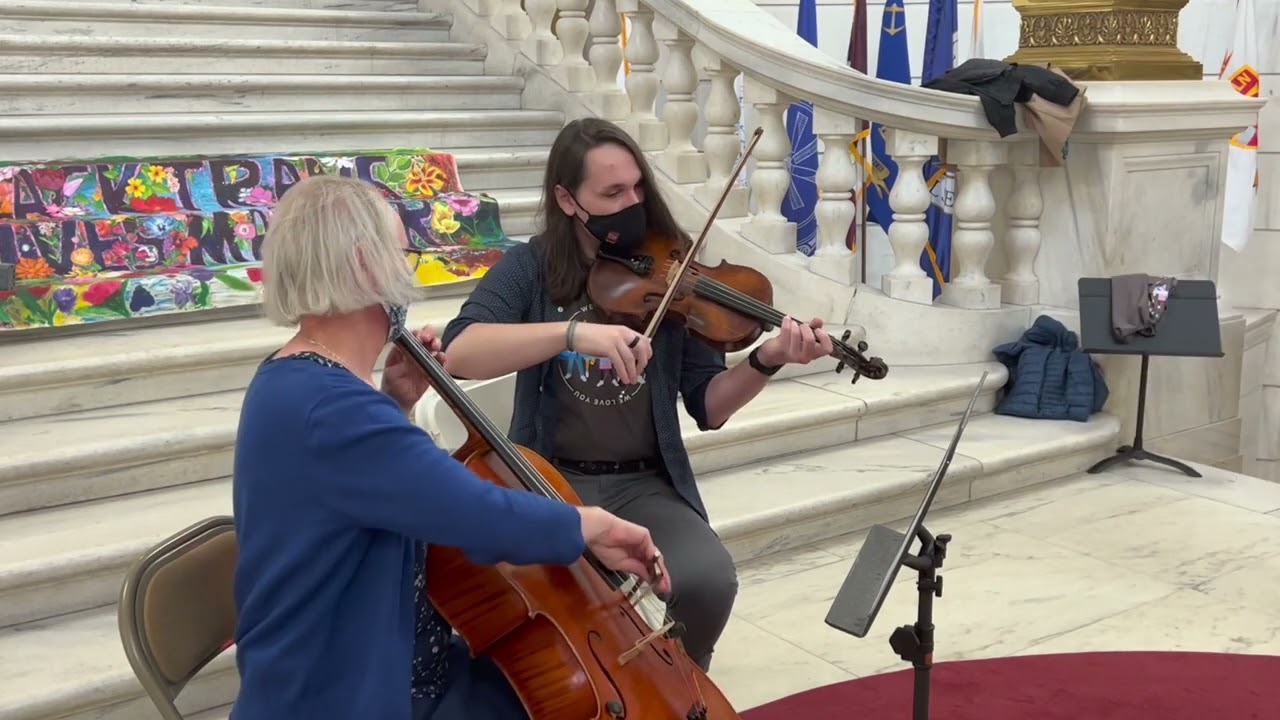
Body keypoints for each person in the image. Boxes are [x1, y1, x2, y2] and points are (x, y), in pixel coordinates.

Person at [229, 174, 670, 720]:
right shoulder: (329, 406)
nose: (407, 270)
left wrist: (395, 404)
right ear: (368, 266)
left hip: (400, 662)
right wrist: (593, 525)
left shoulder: (293, 378)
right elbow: (475, 512)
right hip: (346, 691)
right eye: (403, 253)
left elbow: (371, 485)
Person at [440, 117, 834, 671]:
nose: (631, 202)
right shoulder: (530, 268)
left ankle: (675, 694)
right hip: (550, 479)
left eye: (636, 188)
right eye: (611, 193)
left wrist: (766, 359)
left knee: (708, 581)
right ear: (567, 198)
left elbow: (708, 405)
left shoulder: (671, 265)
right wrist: (572, 333)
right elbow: (458, 352)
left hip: (643, 482)